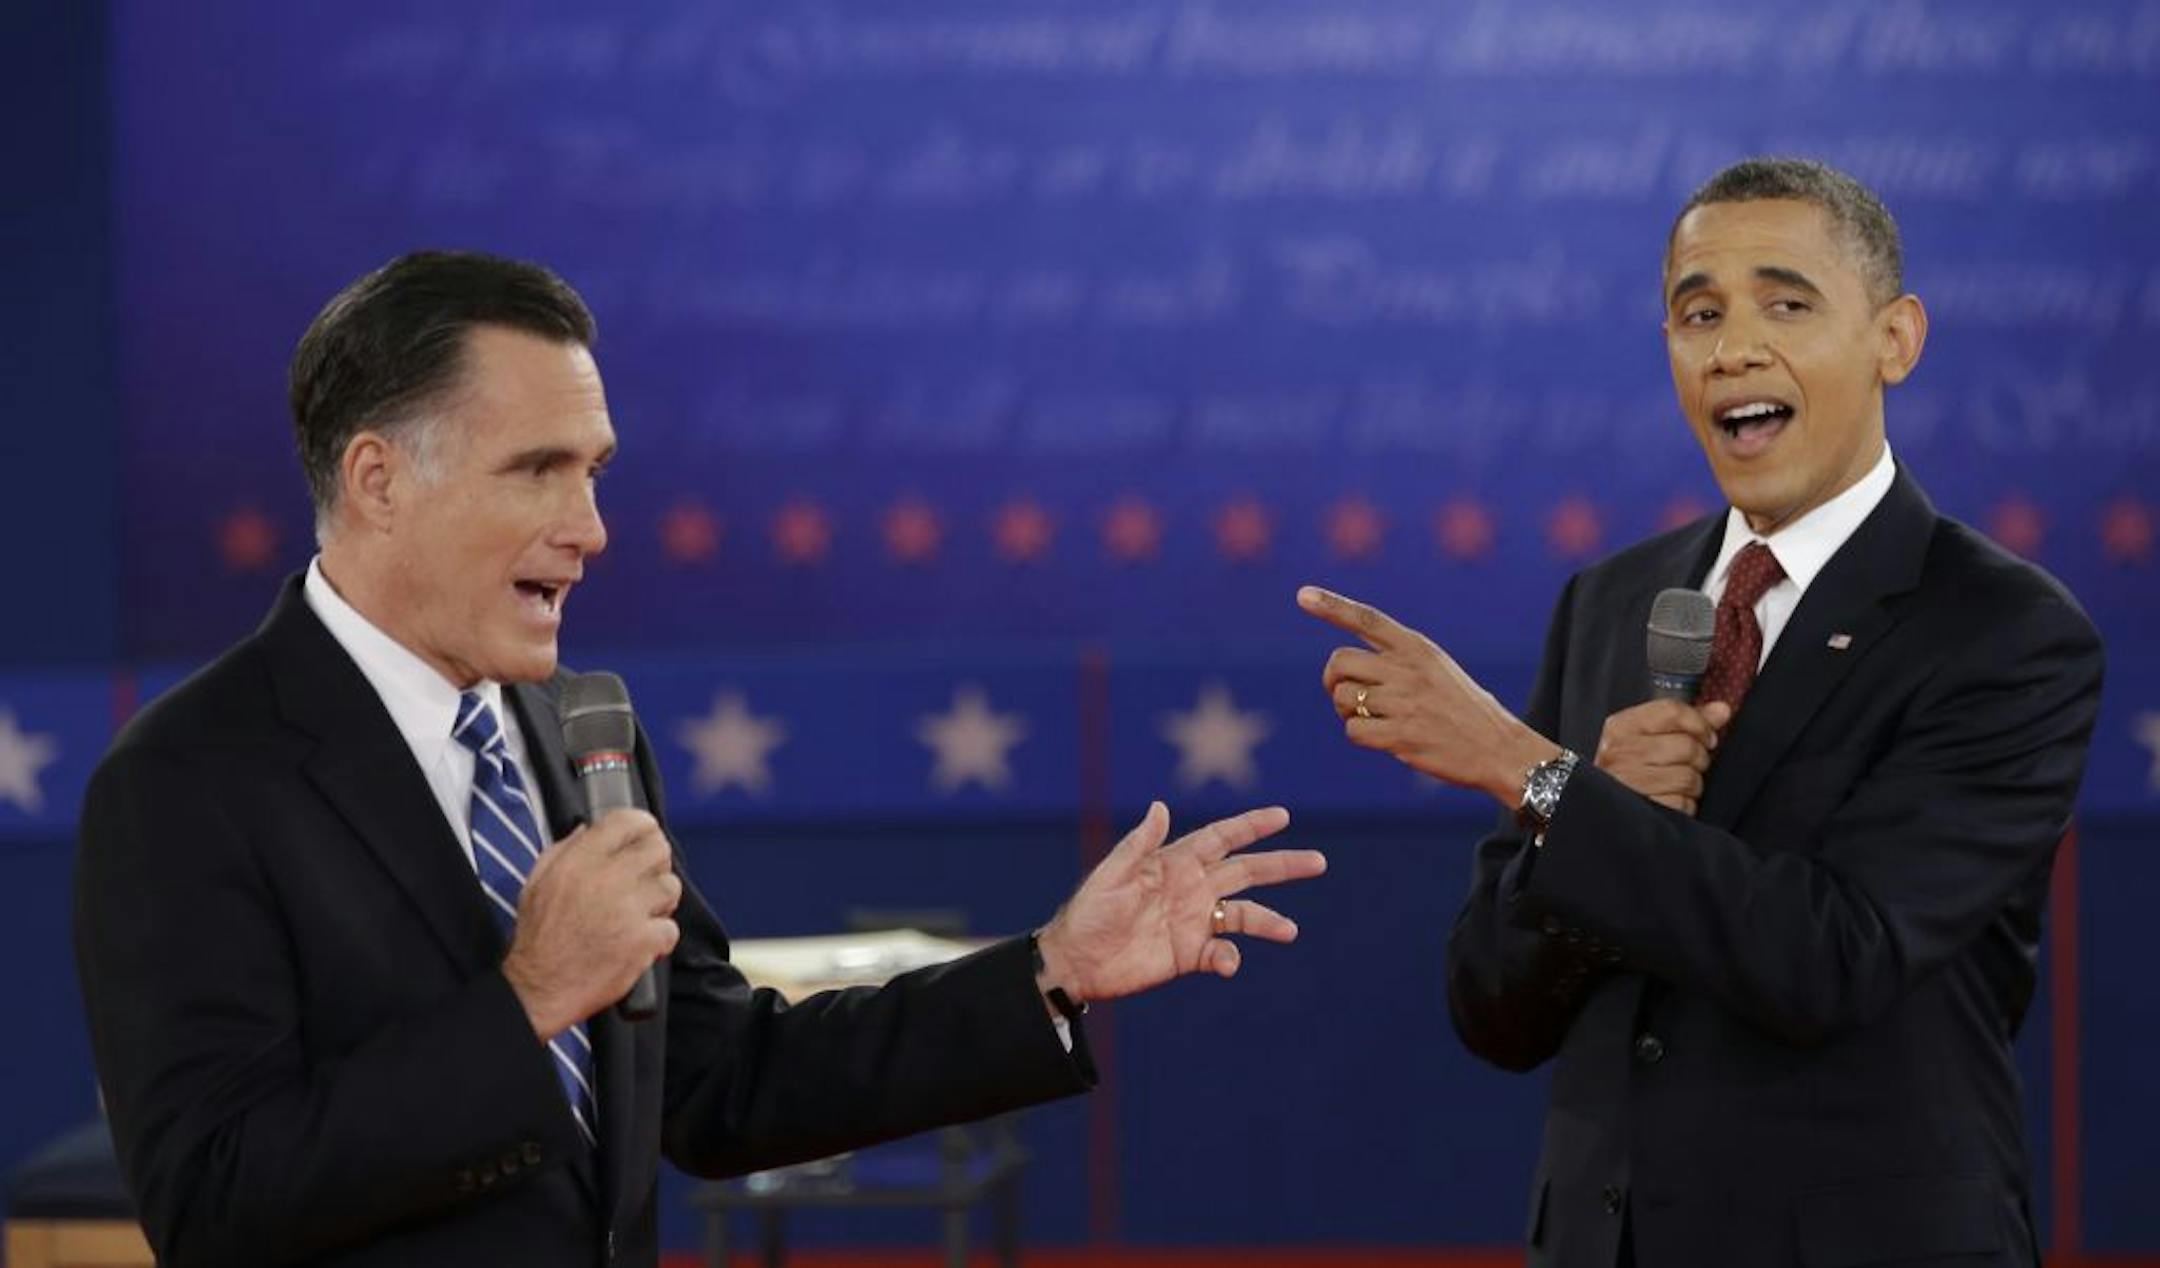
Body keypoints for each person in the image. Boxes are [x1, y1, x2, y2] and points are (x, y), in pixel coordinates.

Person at [74, 251, 1326, 1268]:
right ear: (378, 478)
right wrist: (527, 1001)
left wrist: (1049, 970)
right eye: (540, 471)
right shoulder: (188, 781)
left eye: (597, 470)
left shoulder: (579, 730)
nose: (592, 526)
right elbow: (216, 1200)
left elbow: (726, 1081)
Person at [1299, 157, 2102, 1267]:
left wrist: (1541, 778)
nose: (1733, 346)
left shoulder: (2002, 630)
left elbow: (1835, 956)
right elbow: (1493, 1006)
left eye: (1786, 302)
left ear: (1896, 339)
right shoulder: (1614, 602)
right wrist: (1586, 810)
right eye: (1698, 312)